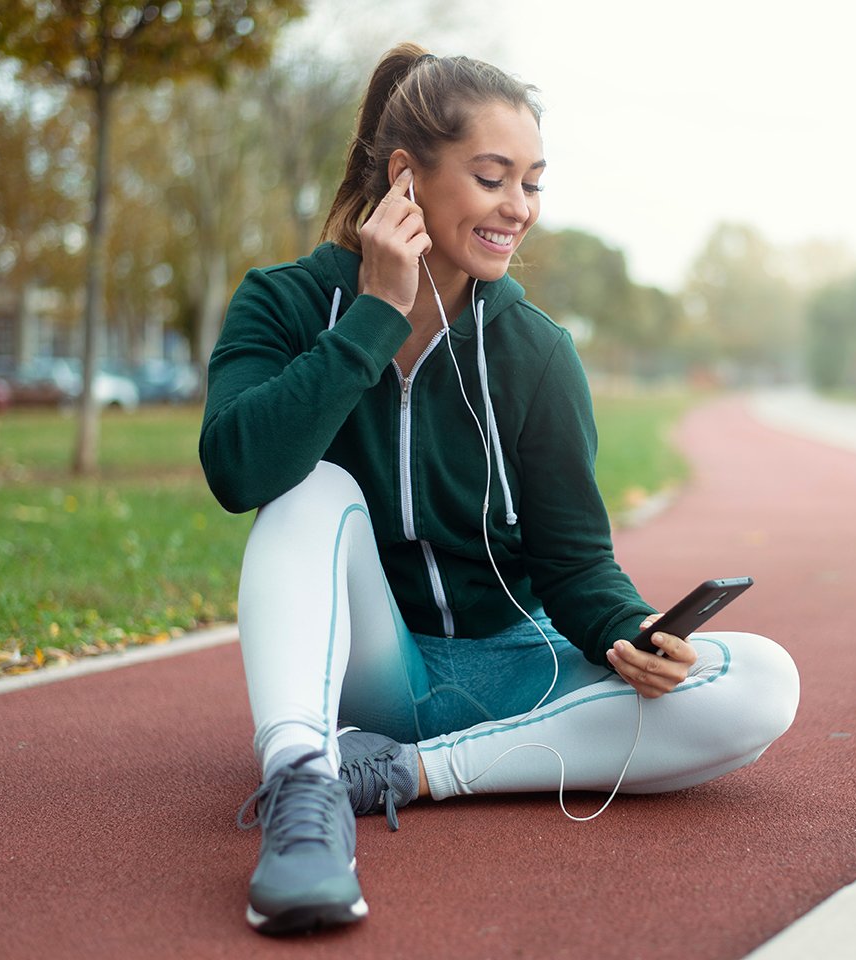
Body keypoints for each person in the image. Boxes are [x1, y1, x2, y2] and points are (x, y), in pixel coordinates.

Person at [199, 43, 800, 936]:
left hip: (514, 669)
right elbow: (239, 470)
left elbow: (574, 562)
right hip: (372, 665)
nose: (518, 209)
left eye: (534, 183)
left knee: (760, 681)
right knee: (307, 486)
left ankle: (403, 774)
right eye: (492, 178)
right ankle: (302, 789)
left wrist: (627, 631)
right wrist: (374, 315)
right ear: (407, 177)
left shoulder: (535, 350)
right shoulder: (284, 304)